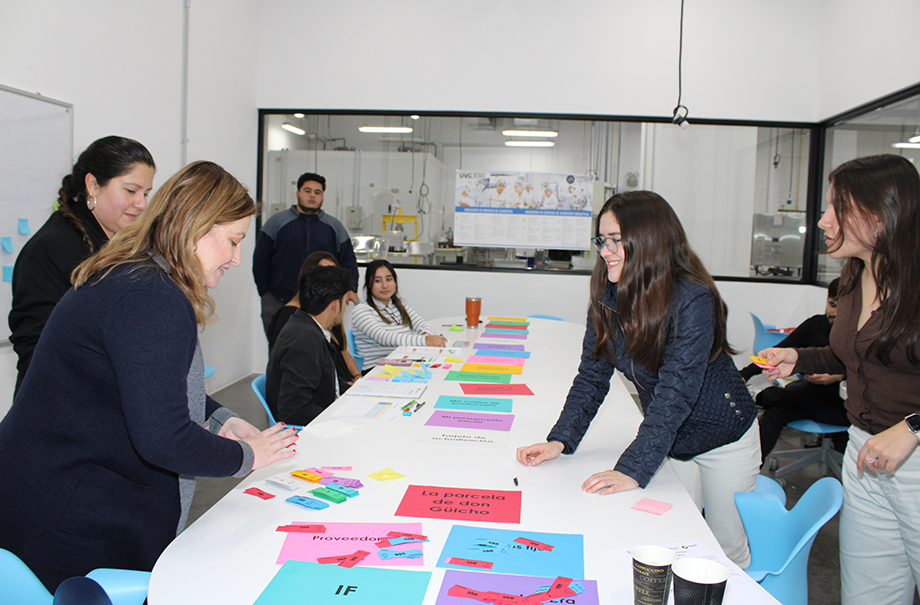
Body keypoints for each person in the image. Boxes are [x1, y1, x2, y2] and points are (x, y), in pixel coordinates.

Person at [0, 161, 298, 592]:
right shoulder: (149, 296)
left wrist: (219, 419)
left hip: (53, 490)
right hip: (65, 513)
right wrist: (248, 457)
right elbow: (164, 437)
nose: (236, 259)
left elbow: (150, 382)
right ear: (195, 225)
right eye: (233, 242)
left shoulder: (140, 277)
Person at [516, 191, 760, 568]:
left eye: (615, 240)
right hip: (672, 439)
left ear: (648, 241)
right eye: (601, 240)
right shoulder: (607, 296)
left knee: (724, 552)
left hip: (723, 437)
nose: (605, 250)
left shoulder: (692, 299)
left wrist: (632, 467)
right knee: (676, 541)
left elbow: (676, 392)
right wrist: (560, 440)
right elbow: (591, 377)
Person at [762, 154, 920, 605]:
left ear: (880, 214)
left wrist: (913, 427)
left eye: (837, 207)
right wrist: (799, 356)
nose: (822, 220)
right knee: (870, 595)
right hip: (865, 454)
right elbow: (852, 353)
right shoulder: (854, 279)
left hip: (914, 457)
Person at [8, 135, 155, 393]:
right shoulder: (51, 248)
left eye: (146, 193)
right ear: (93, 185)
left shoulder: (114, 243)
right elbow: (38, 351)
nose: (141, 204)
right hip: (57, 407)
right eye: (131, 191)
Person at [740, 279, 848, 461]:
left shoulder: (859, 335)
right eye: (832, 305)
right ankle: (750, 468)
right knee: (777, 411)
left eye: (842, 308)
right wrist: (744, 375)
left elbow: (873, 374)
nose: (835, 313)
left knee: (786, 398)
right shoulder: (816, 325)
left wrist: (838, 376)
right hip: (810, 397)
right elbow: (779, 352)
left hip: (842, 406)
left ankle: (763, 397)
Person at [252, 172, 359, 333]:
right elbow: (260, 259)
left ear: (322, 196)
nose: (312, 196)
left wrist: (351, 288)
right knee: (278, 351)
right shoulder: (276, 222)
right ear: (298, 193)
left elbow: (348, 261)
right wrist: (265, 293)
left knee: (322, 351)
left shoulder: (334, 226)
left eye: (317, 192)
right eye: (307, 191)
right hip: (279, 301)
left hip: (323, 303)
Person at [266, 265, 356, 425]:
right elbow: (294, 411)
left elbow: (319, 380)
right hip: (310, 432)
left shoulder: (305, 325)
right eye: (346, 300)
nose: (347, 305)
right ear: (335, 304)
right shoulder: (305, 340)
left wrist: (350, 388)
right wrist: (339, 416)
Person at [266, 251, 362, 390]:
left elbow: (342, 352)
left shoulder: (325, 319)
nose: (331, 280)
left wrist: (357, 378)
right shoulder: (300, 329)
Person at [351, 259, 447, 371]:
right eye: (378, 281)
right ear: (369, 285)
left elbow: (424, 325)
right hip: (378, 368)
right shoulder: (361, 311)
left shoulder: (400, 306)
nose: (385, 285)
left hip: (404, 363)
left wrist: (426, 335)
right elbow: (383, 338)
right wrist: (424, 341)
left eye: (389, 279)